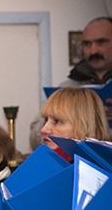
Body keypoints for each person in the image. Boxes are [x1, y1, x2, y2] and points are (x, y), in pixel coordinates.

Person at [29, 17, 112, 149]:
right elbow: (35, 137)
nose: (93, 51)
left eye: (101, 42)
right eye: (87, 44)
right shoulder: (67, 86)